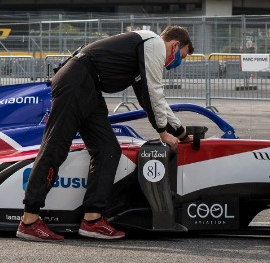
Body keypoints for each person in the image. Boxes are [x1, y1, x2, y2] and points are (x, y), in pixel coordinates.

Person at [17, 25, 193, 242]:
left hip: (89, 87)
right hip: (76, 82)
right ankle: (29, 221)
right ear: (175, 45)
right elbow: (153, 93)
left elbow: (152, 102)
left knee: (108, 150)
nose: (177, 62)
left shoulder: (143, 52)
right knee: (55, 148)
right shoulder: (154, 43)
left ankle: (92, 220)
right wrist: (162, 131)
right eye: (181, 56)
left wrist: (182, 133)